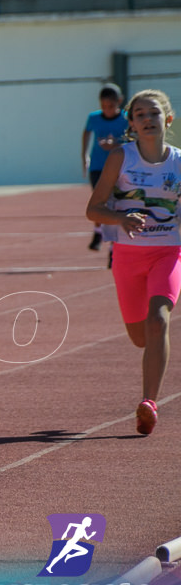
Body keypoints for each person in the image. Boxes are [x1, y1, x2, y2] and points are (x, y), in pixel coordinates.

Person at [86, 89, 179, 435]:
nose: (147, 119)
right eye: (139, 115)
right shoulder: (120, 158)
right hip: (127, 256)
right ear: (132, 125)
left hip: (168, 252)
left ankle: (149, 403)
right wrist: (121, 219)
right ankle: (149, 387)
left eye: (153, 113)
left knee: (159, 320)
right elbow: (92, 210)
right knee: (141, 338)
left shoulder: (179, 162)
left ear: (167, 119)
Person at [82, 83, 128, 255]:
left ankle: (111, 246)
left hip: (118, 167)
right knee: (99, 202)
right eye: (104, 106)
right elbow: (86, 133)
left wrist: (116, 144)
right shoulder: (94, 118)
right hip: (98, 167)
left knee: (114, 204)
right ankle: (98, 233)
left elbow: (133, 140)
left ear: (119, 101)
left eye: (111, 106)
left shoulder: (126, 118)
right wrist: (84, 155)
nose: (107, 110)